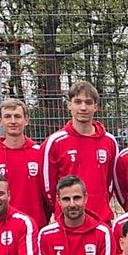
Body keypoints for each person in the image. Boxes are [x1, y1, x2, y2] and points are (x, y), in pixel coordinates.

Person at [42, 81, 118, 223]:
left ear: (96, 107)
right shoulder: (55, 142)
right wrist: (62, 211)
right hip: (68, 222)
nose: (83, 107)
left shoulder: (109, 142)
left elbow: (110, 183)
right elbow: (48, 187)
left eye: (88, 102)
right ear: (69, 105)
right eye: (78, 102)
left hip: (100, 220)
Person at [0, 98, 50, 229]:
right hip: (2, 227)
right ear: (0, 121)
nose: (13, 121)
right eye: (7, 117)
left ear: (26, 120)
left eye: (17, 116)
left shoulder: (40, 153)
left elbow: (48, 191)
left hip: (36, 225)